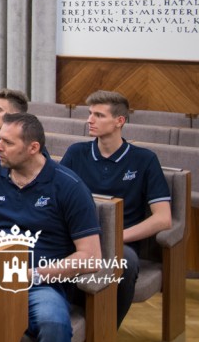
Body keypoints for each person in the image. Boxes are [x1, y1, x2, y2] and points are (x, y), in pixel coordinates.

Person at [0, 113, 102, 342]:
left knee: (54, 326)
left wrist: (30, 274)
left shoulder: (69, 186)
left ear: (33, 148)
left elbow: (91, 257)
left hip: (39, 283)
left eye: (7, 142)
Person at [60, 90, 171, 328]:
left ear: (119, 121)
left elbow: (163, 218)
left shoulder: (144, 159)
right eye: (90, 113)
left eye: (99, 115)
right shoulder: (76, 152)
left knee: (125, 263)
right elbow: (56, 197)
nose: (89, 120)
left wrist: (116, 237)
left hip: (120, 243)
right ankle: (72, 325)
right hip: (77, 237)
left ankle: (105, 334)